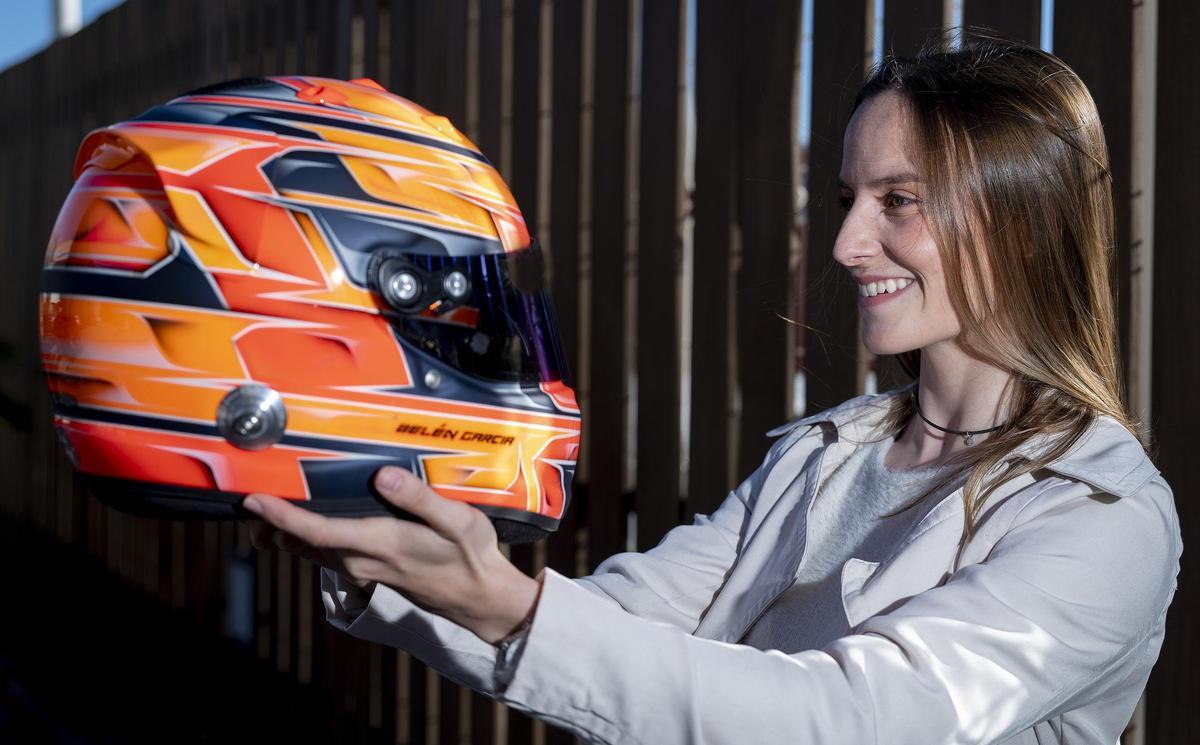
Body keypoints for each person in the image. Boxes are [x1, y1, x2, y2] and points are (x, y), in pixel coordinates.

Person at [243, 31, 1182, 744]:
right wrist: (376, 549)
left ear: (1020, 227)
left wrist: (508, 607)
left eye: (898, 201)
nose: (848, 243)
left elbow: (850, 720)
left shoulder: (1103, 521)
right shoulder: (829, 452)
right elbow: (623, 616)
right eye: (848, 198)